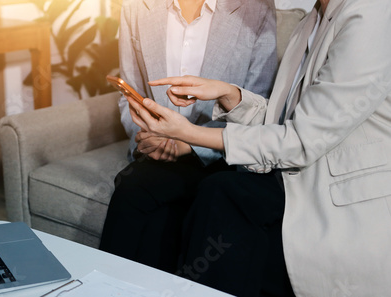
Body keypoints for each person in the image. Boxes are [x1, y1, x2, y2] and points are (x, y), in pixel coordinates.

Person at [125, 0, 391, 296]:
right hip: (297, 176)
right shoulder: (312, 20)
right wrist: (230, 95)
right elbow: (284, 120)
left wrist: (190, 134)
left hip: (339, 201)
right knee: (157, 186)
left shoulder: (373, 14)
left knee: (223, 194)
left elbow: (300, 139)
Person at [100, 0, 277, 273]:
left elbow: (257, 106)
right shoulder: (137, 5)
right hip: (157, 148)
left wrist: (189, 144)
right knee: (143, 197)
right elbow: (129, 95)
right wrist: (149, 137)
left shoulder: (256, 8)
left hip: (222, 151)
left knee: (138, 190)